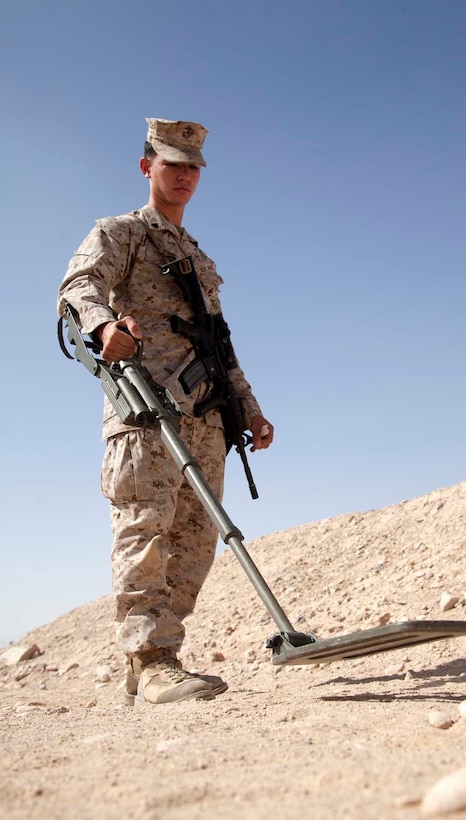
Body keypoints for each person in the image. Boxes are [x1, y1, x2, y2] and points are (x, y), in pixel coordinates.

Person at [58, 118, 274, 706]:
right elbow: (79, 285)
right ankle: (150, 660)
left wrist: (250, 410)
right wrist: (103, 324)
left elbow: (218, 344)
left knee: (196, 542)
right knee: (144, 531)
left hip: (206, 419)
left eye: (194, 167)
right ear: (147, 166)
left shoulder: (197, 258)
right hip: (148, 413)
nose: (184, 175)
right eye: (173, 163)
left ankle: (159, 656)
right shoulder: (122, 233)